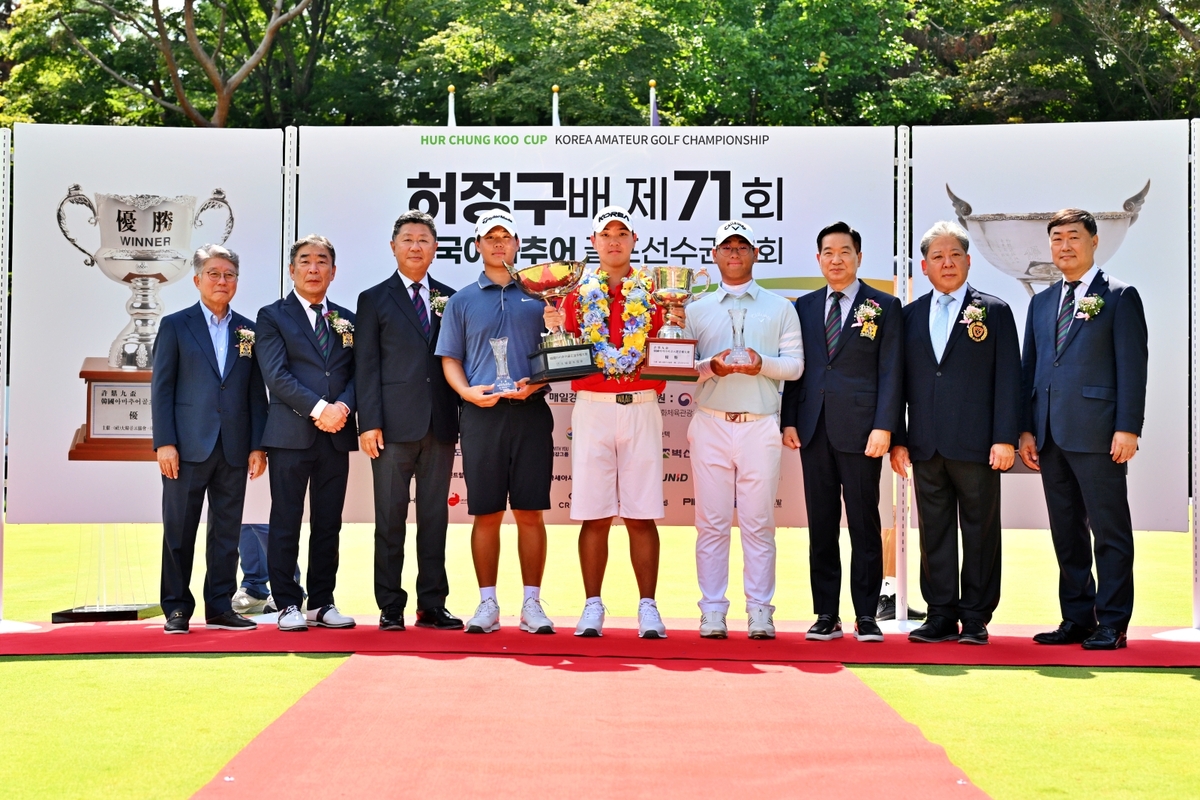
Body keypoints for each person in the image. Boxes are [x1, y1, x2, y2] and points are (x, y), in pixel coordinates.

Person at [544, 205, 679, 639]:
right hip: (592, 407)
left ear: (634, 240)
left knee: (642, 514)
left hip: (641, 404)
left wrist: (676, 326)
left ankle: (648, 608)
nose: (614, 241)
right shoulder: (574, 293)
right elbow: (562, 358)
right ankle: (592, 606)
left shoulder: (656, 293)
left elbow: (669, 355)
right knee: (594, 513)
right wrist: (553, 327)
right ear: (594, 241)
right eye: (606, 234)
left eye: (622, 233)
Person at [1019, 208, 1148, 651]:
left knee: (1110, 532)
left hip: (1099, 434)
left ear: (1094, 242)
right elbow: (1030, 368)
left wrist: (1128, 427)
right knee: (1067, 532)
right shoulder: (1040, 303)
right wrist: (1026, 430)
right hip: (1049, 434)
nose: (1065, 246)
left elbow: (1133, 367)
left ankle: (1112, 622)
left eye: (1074, 236)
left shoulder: (1119, 296)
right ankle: (1076, 618)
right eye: (1057, 239)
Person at [889, 221, 1022, 646]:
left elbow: (1009, 380)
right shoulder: (908, 316)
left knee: (981, 531)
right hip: (925, 445)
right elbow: (896, 383)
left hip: (979, 445)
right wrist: (898, 439)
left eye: (954, 255)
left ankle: (976, 616)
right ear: (924, 267)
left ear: (968, 261)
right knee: (934, 532)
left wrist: (1005, 437)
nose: (947, 263)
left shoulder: (994, 311)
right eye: (937, 257)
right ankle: (941, 614)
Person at [781, 222, 903, 643]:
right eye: (828, 252)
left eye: (845, 251)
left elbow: (891, 372)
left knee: (865, 525)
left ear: (859, 257)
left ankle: (866, 615)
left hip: (863, 431)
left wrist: (885, 426)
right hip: (813, 429)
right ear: (818, 259)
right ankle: (826, 613)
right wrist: (790, 419)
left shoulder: (883, 305)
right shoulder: (803, 306)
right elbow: (796, 368)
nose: (836, 259)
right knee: (822, 525)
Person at [436, 209, 556, 635]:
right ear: (477, 246)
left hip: (531, 412)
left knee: (530, 512)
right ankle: (487, 603)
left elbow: (558, 354)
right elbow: (450, 358)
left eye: (506, 236)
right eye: (490, 237)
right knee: (486, 513)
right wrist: (467, 392)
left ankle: (531, 604)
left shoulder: (541, 297)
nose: (499, 242)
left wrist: (536, 382)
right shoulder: (462, 300)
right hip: (481, 416)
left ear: (518, 244)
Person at [682, 220, 803, 639]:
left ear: (756, 253)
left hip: (759, 424)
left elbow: (795, 366)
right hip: (711, 422)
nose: (734, 253)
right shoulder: (695, 309)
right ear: (714, 255)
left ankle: (760, 610)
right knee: (711, 523)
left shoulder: (780, 307)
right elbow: (678, 367)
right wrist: (709, 367)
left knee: (759, 523)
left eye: (742, 246)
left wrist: (761, 364)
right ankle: (713, 610)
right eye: (727, 247)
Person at [153, 244, 268, 634]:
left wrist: (257, 445)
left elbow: (256, 393)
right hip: (186, 448)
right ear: (197, 279)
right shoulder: (175, 325)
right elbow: (162, 389)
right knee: (179, 531)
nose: (222, 281)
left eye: (229, 274)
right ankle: (176, 609)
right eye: (214, 274)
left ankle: (220, 607)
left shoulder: (248, 330)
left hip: (234, 448)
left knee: (226, 534)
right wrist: (165, 442)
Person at [357, 210, 463, 632]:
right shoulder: (373, 299)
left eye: (423, 240)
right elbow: (366, 366)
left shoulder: (451, 298)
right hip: (391, 429)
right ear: (393, 247)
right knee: (390, 519)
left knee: (435, 518)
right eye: (407, 239)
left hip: (440, 424)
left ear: (435, 248)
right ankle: (390, 605)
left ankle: (432, 604)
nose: (415, 246)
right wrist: (368, 422)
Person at [256, 235, 358, 632]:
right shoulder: (272, 316)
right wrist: (320, 409)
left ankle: (321, 601)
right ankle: (286, 603)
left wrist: (343, 408)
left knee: (329, 522)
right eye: (305, 261)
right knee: (286, 520)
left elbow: (358, 373)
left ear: (333, 271)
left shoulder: (347, 319)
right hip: (290, 435)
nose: (313, 268)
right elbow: (276, 375)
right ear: (291, 270)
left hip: (336, 435)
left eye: (321, 261)